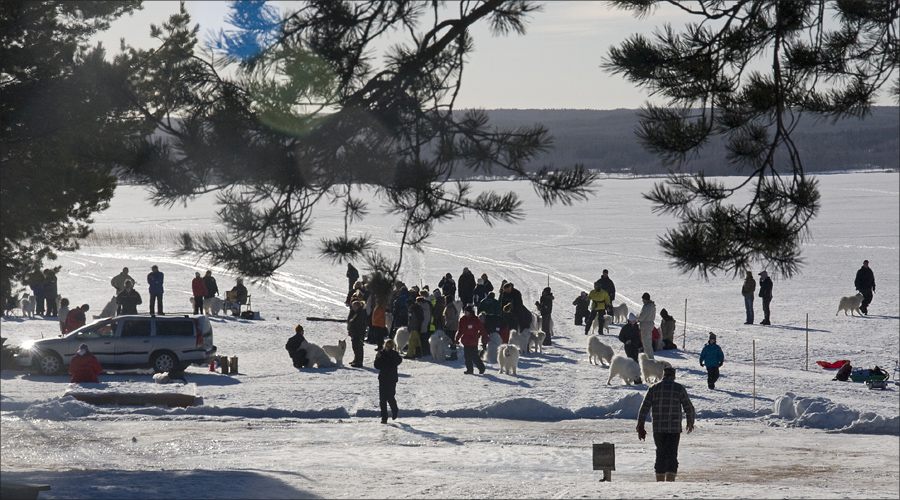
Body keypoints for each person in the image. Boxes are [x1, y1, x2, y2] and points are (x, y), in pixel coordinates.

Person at [636, 366, 695, 482]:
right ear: (673, 376)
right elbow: (689, 407)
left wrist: (640, 424)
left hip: (658, 428)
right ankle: (670, 480)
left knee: (660, 452)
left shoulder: (654, 388)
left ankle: (660, 479)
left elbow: (644, 408)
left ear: (663, 375)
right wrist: (690, 421)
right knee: (672, 453)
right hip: (674, 429)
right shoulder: (679, 388)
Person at [374, 338, 403, 424]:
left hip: (391, 378)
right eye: (386, 346)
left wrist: (388, 356)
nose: (387, 348)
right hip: (383, 378)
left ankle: (394, 410)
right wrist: (378, 358)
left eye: (389, 347)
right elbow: (377, 366)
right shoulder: (381, 353)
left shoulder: (394, 354)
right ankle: (384, 417)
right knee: (382, 399)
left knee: (390, 397)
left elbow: (398, 361)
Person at [455, 305, 488, 375]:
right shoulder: (462, 319)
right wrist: (457, 339)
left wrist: (486, 337)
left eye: (466, 311)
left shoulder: (475, 320)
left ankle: (481, 368)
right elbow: (460, 331)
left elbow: (481, 329)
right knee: (467, 357)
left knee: (475, 356)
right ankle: (469, 369)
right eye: (464, 311)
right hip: (466, 341)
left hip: (473, 341)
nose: (465, 313)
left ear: (470, 312)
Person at [347, 300, 368, 367]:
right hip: (355, 333)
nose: (353, 308)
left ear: (357, 306)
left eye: (354, 306)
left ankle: (358, 362)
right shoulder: (356, 312)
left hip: (358, 333)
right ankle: (356, 359)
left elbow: (358, 324)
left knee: (358, 348)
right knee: (355, 347)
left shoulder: (360, 313)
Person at [638, 292, 657, 359]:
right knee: (648, 342)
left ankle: (649, 357)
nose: (643, 301)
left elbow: (642, 317)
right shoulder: (652, 306)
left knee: (646, 343)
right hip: (650, 325)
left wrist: (637, 318)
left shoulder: (647, 307)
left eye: (643, 299)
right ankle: (650, 356)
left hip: (645, 326)